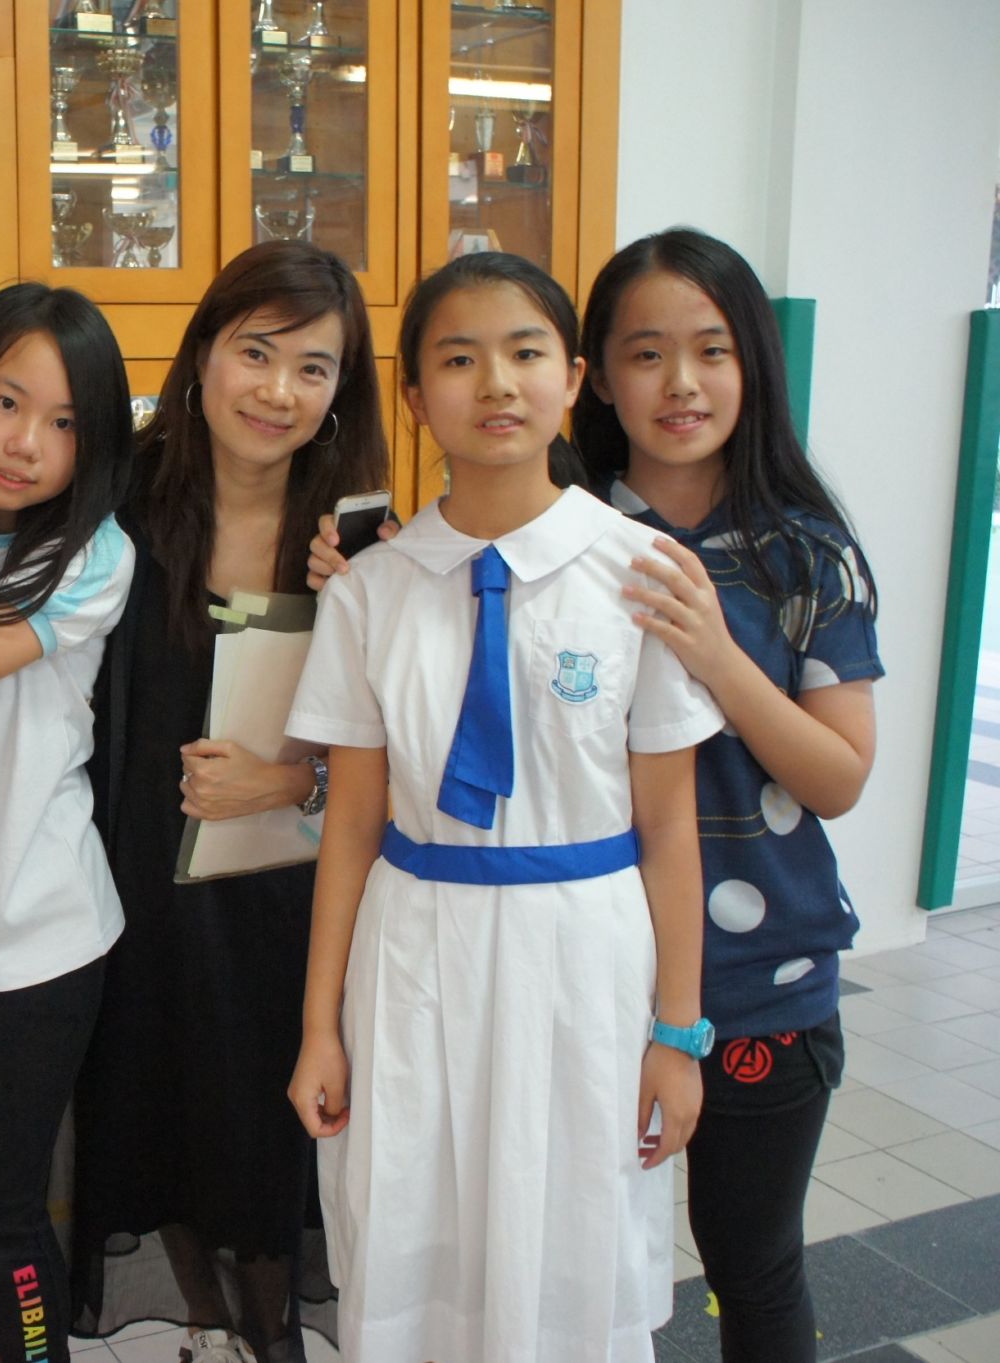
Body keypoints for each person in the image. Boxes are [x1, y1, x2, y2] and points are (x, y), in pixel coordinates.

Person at [285, 250, 723, 1363]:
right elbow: (351, 824)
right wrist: (319, 1026)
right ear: (411, 392)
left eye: (525, 353)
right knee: (414, 1219)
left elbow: (669, 828)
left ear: (570, 378)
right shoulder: (372, 587)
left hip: (583, 956)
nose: (495, 384)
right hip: (414, 949)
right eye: (457, 359)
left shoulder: (641, 572)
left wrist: (677, 1034)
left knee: (565, 1233)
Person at [71, 240, 389, 1363]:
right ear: (203, 352)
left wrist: (295, 777)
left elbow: (410, 760)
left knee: (266, 1168)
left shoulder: (359, 545)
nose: (277, 390)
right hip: (130, 906)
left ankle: (265, 1337)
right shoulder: (110, 505)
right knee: (156, 1144)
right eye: (256, 352)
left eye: (313, 367)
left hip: (282, 920)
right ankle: (214, 1329)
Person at [573, 228, 880, 1362]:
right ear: (598, 378)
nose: (681, 383)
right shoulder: (558, 539)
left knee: (751, 1267)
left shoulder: (806, 554)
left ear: (752, 364)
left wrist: (715, 653)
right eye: (645, 353)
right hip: (585, 965)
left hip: (763, 981)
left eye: (711, 349)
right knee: (575, 1266)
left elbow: (838, 777)